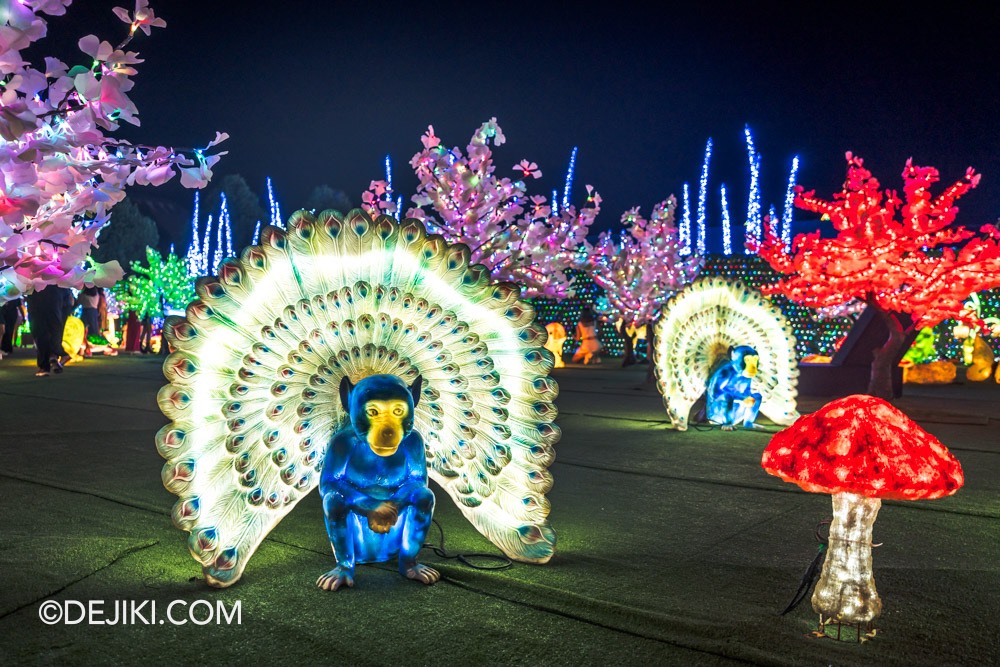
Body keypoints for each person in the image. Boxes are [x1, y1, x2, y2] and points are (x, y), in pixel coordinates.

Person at [25, 285, 73, 376]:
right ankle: (54, 355)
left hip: (44, 290)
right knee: (48, 327)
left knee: (43, 328)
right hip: (53, 291)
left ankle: (49, 360)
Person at [76, 285, 101, 358]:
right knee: (93, 331)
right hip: (94, 312)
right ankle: (91, 349)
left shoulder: (83, 295)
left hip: (86, 312)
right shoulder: (96, 294)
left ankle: (83, 349)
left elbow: (78, 301)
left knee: (83, 332)